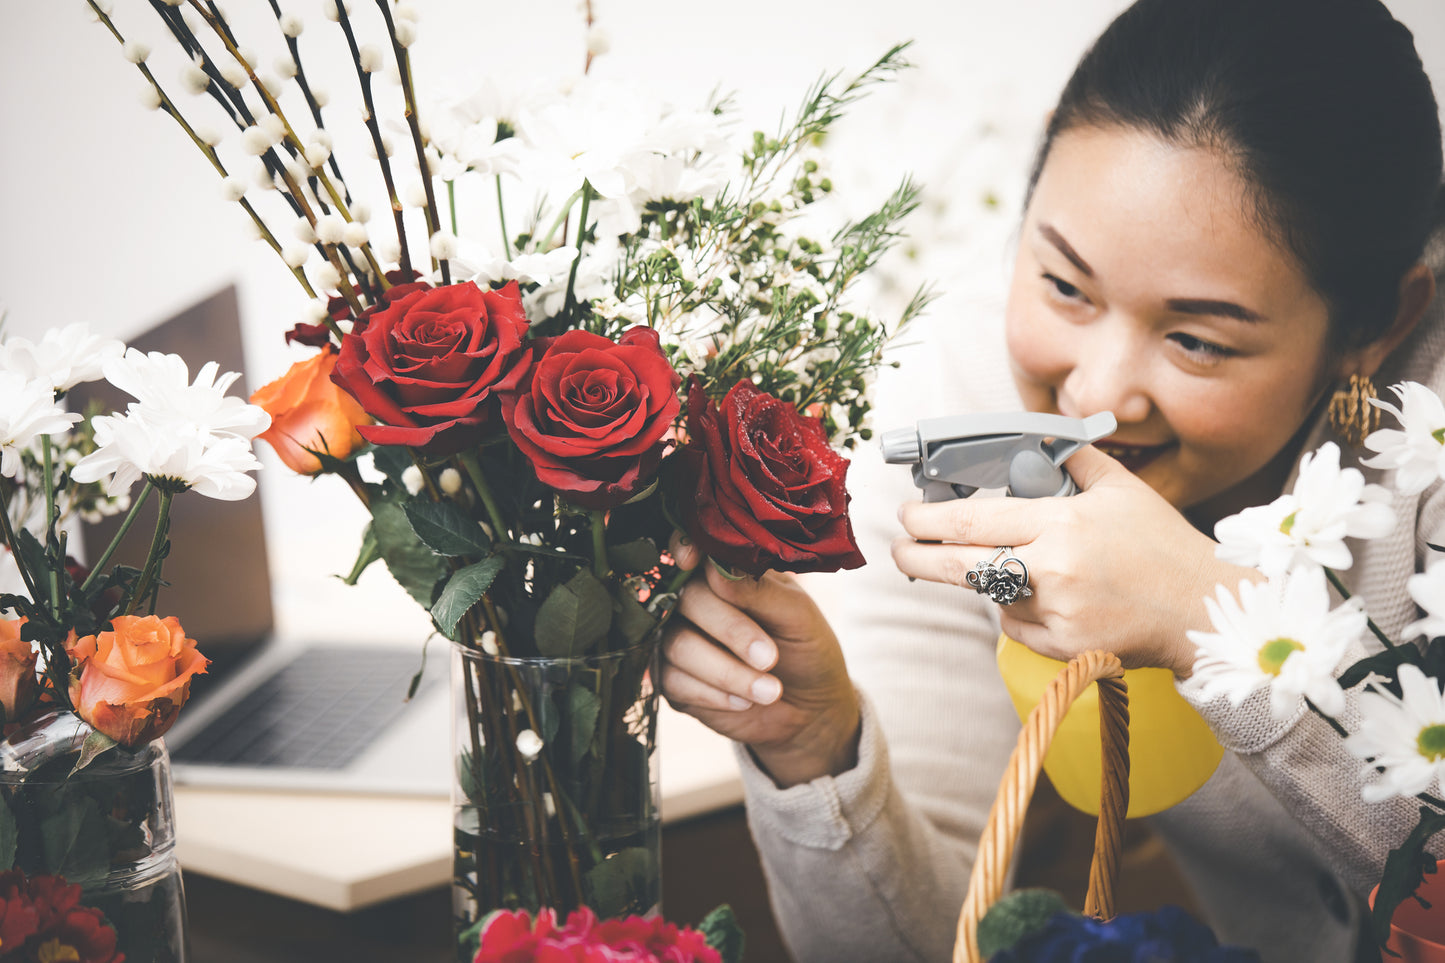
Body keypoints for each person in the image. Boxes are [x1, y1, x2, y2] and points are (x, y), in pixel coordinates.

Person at [658, 0, 1445, 959]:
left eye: (1196, 340)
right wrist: (815, 749)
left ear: (1380, 322)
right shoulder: (954, 416)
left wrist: (1205, 616)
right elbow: (923, 945)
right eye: (1064, 284)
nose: (1096, 393)